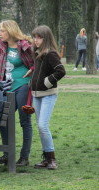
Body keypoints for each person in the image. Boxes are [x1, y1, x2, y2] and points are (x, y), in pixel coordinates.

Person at [0, 20, 34, 166]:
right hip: (6, 87)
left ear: (10, 31)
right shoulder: (2, 46)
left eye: (2, 30)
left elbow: (36, 62)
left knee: (25, 121)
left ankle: (24, 157)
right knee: (4, 120)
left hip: (22, 86)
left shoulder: (24, 45)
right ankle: (7, 154)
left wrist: (32, 71)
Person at [31, 25, 66, 170]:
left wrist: (47, 82)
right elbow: (41, 70)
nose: (36, 40)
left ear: (46, 38)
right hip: (36, 96)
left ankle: (52, 159)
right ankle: (46, 158)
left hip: (48, 95)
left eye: (39, 37)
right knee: (40, 127)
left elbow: (61, 71)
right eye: (34, 37)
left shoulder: (51, 53)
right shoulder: (38, 53)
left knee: (42, 126)